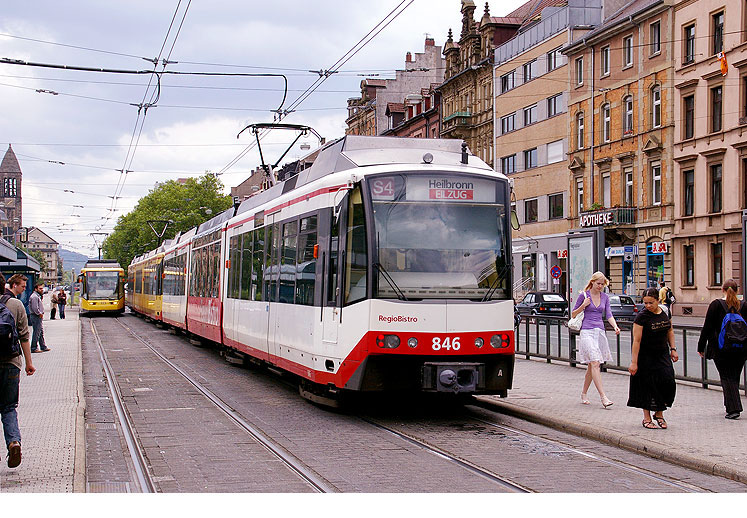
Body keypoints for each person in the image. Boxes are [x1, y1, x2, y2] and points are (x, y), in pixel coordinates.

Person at [628, 287, 678, 429]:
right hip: (646, 356)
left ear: (658, 300)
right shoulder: (642, 317)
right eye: (645, 303)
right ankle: (647, 418)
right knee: (647, 387)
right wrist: (634, 362)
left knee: (667, 382)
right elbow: (636, 341)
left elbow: (670, 330)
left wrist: (673, 349)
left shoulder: (665, 312)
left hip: (662, 354)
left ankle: (659, 413)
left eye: (651, 303)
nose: (648, 306)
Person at [697, 279, 747, 419]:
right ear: (737, 291)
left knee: (726, 377)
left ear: (723, 290)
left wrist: (701, 347)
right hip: (741, 348)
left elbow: (707, 328)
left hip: (721, 348)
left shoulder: (716, 305)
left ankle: (734, 409)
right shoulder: (743, 305)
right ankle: (729, 405)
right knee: (734, 377)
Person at [571, 271, 621, 408]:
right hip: (586, 331)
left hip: (599, 332)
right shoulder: (584, 295)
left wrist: (615, 327)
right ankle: (603, 397)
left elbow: (609, 315)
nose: (600, 286)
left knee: (592, 366)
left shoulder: (605, 297)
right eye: (598, 283)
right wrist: (584, 305)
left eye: (602, 284)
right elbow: (574, 313)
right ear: (592, 282)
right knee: (595, 363)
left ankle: (584, 393)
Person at [1, 273, 35, 468]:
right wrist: (29, 363)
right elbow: (24, 337)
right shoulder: (16, 305)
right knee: (8, 408)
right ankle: (13, 442)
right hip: (12, 363)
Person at [29, 282, 50, 353]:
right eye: (40, 288)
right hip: (36, 316)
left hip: (37, 316)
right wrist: (39, 313)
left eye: (42, 288)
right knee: (37, 332)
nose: (42, 290)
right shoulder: (34, 297)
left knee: (40, 332)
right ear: (36, 289)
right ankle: (34, 347)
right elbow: (35, 307)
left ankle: (43, 346)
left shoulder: (37, 296)